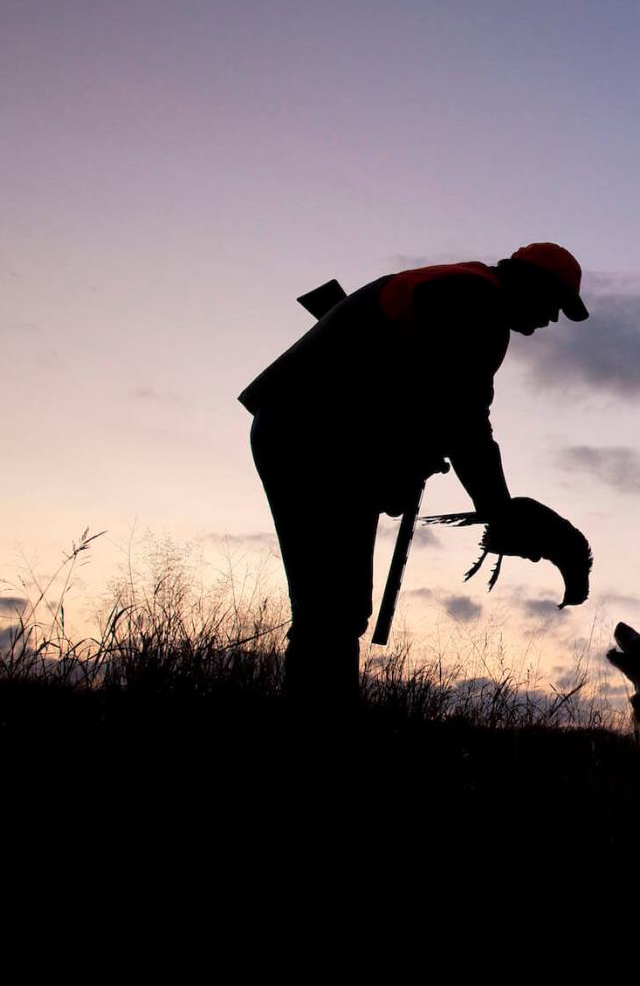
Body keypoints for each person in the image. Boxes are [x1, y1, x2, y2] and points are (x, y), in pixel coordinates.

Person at [240, 242, 589, 704]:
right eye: (556, 305)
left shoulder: (459, 289)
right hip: (310, 438)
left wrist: (403, 458)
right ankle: (316, 740)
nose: (553, 320)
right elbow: (464, 421)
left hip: (310, 434)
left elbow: (407, 390)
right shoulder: (475, 302)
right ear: (531, 283)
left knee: (333, 609)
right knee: (331, 611)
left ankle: (318, 729)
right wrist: (498, 513)